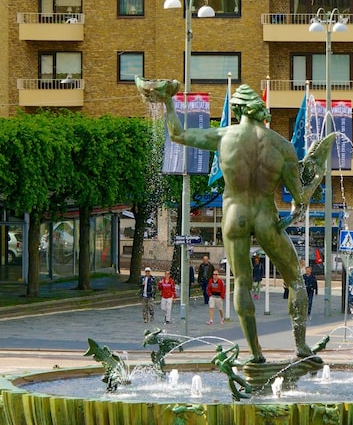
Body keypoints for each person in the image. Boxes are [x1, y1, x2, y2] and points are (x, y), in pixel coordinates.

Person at [140, 78, 336, 362]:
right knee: (295, 279)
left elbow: (178, 134)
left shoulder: (224, 135)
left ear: (238, 110)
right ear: (260, 111)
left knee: (242, 282)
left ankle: (256, 354)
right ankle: (302, 347)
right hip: (266, 216)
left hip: (234, 215)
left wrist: (169, 102)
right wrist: (314, 174)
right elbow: (300, 195)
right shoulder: (282, 146)